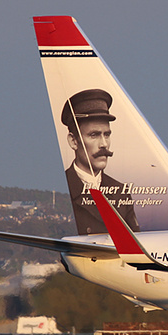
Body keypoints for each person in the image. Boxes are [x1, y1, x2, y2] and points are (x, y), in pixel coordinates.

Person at [62, 89, 139, 235]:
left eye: (107, 135)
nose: (104, 144)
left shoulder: (121, 191)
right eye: (94, 135)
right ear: (73, 141)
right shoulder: (65, 187)